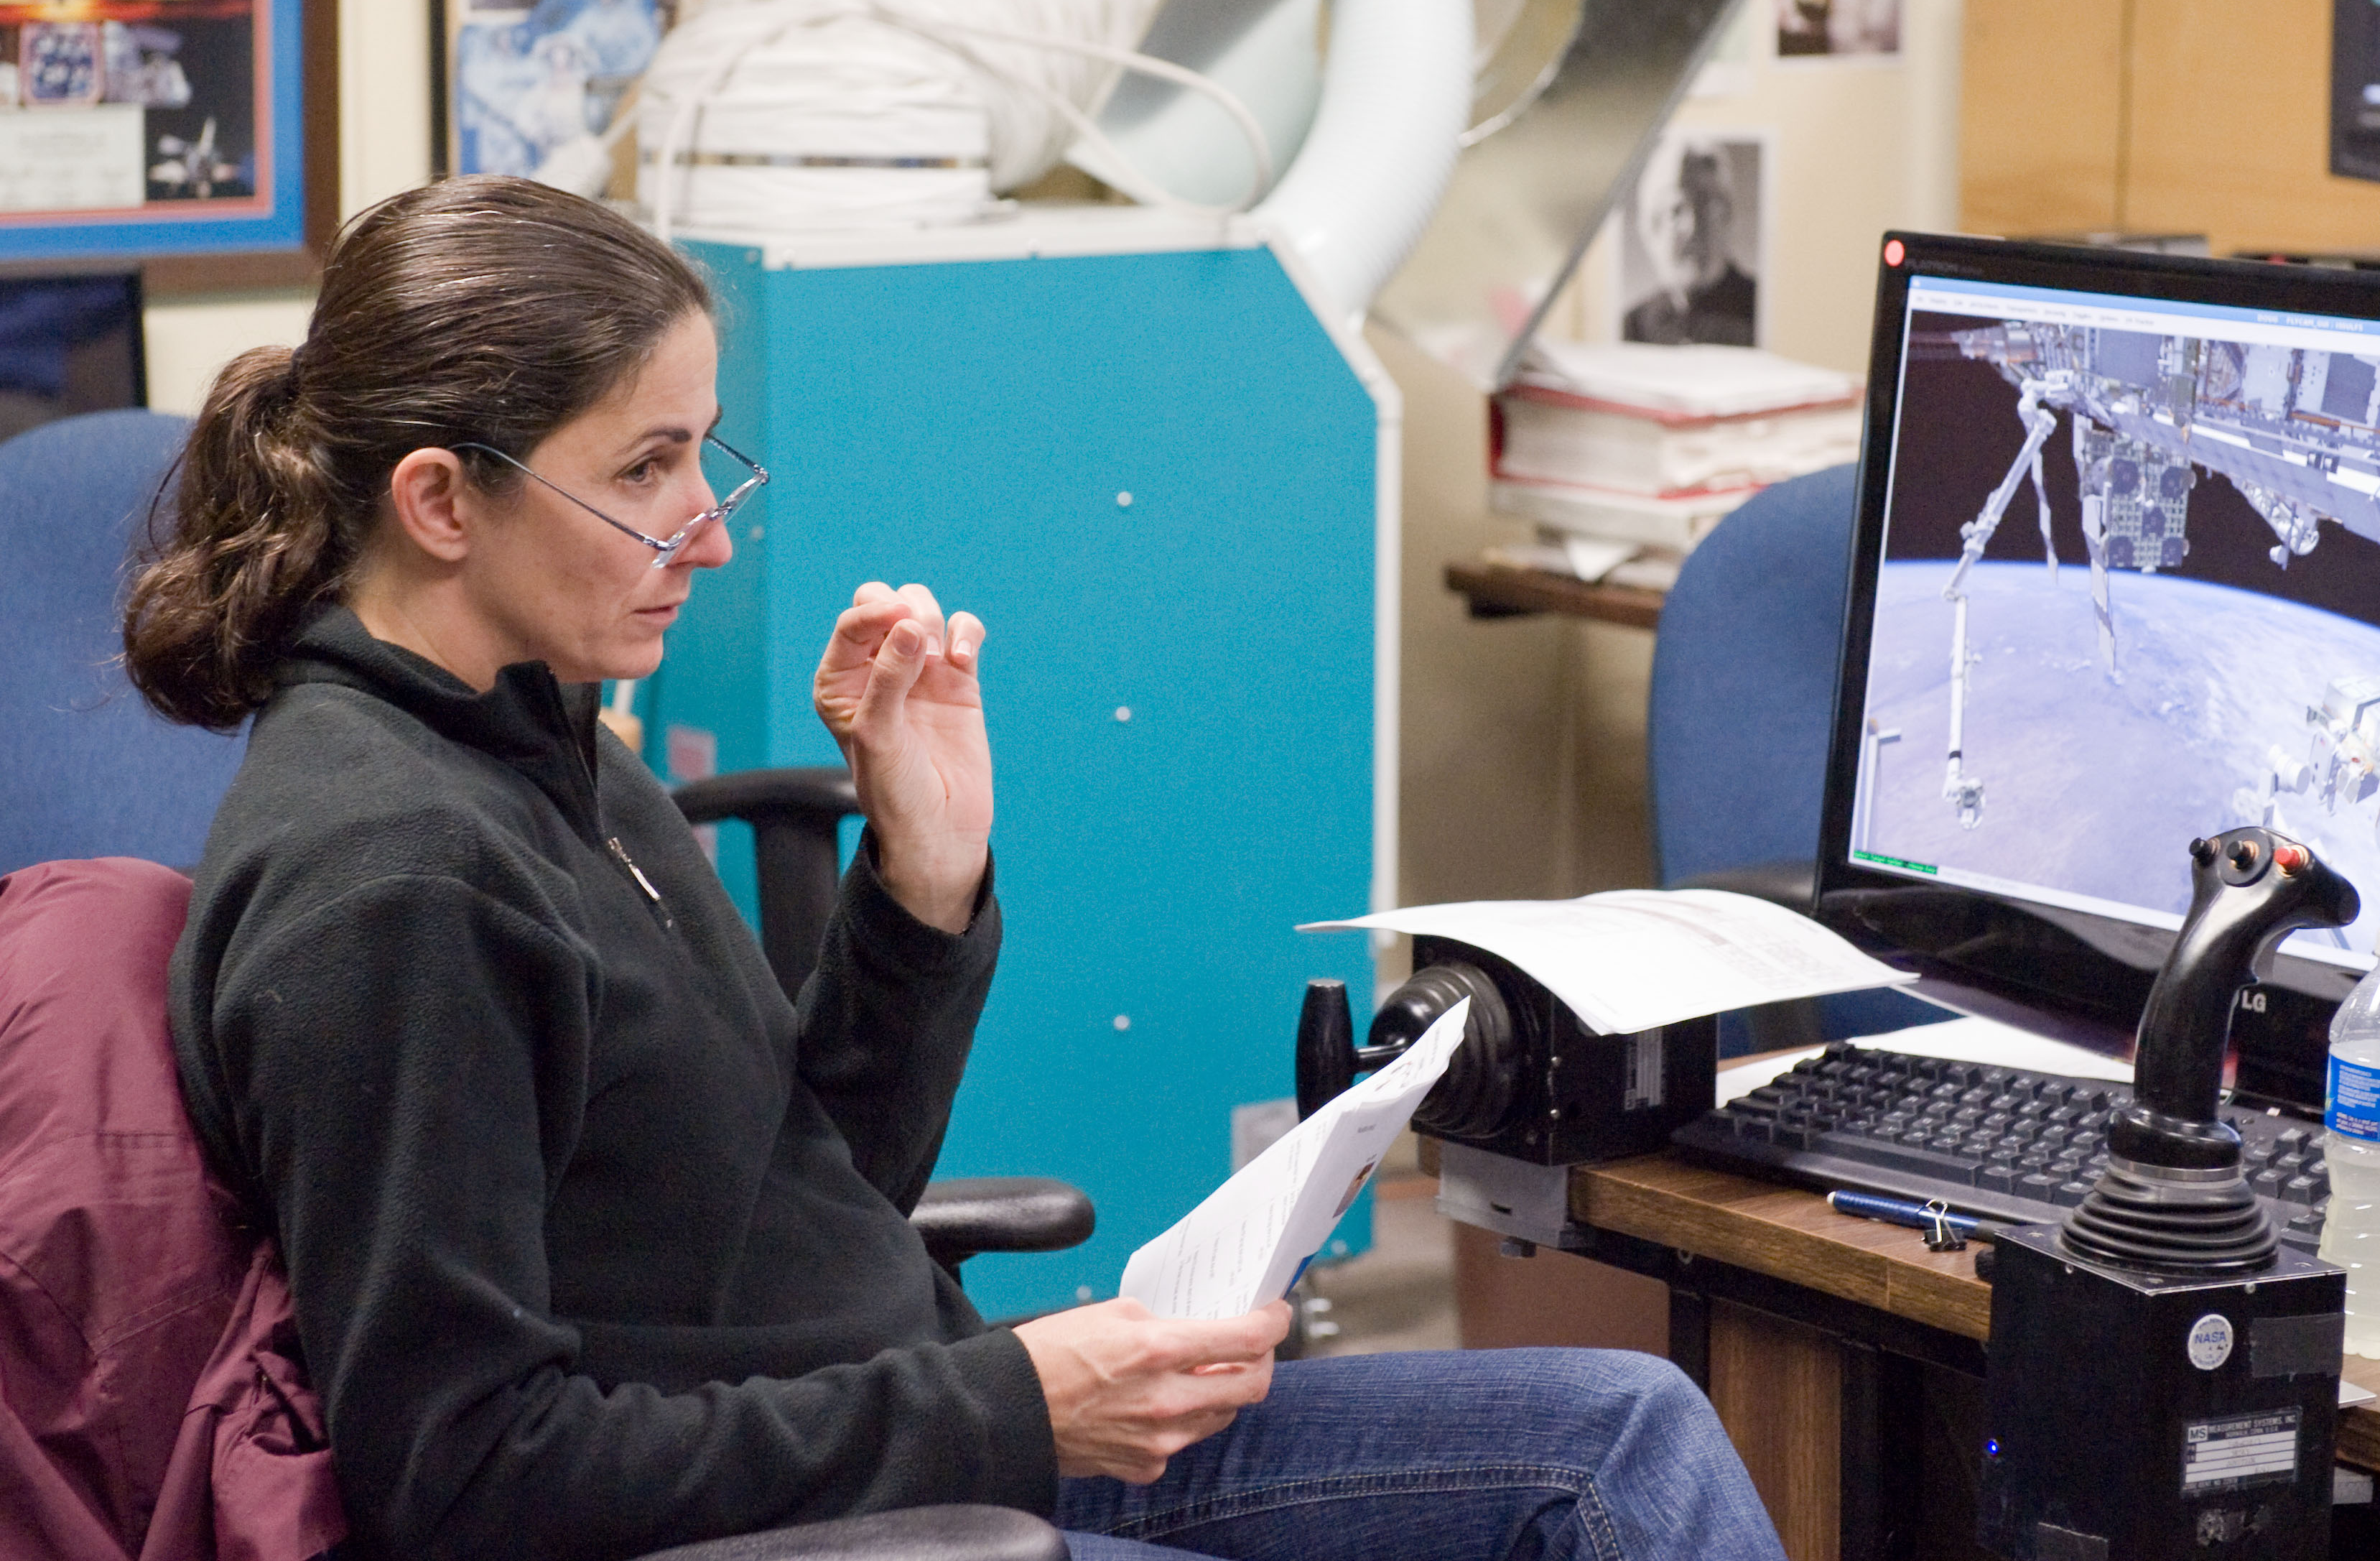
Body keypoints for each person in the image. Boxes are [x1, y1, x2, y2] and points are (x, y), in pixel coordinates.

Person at [126, 176, 1786, 1561]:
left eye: (706, 452)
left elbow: (793, 1190)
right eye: (644, 468)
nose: (705, 526)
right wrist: (1013, 1403)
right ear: (438, 500)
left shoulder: (544, 735)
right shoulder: (398, 883)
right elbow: (468, 1474)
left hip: (909, 1427)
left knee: (1622, 1435)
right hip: (829, 1505)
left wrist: (919, 882)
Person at [1622, 138, 1757, 348]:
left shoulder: (1761, 311)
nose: (1692, 226)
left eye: (1705, 206)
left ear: (1728, 218)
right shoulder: (1632, 327)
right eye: (1675, 211)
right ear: (1652, 229)